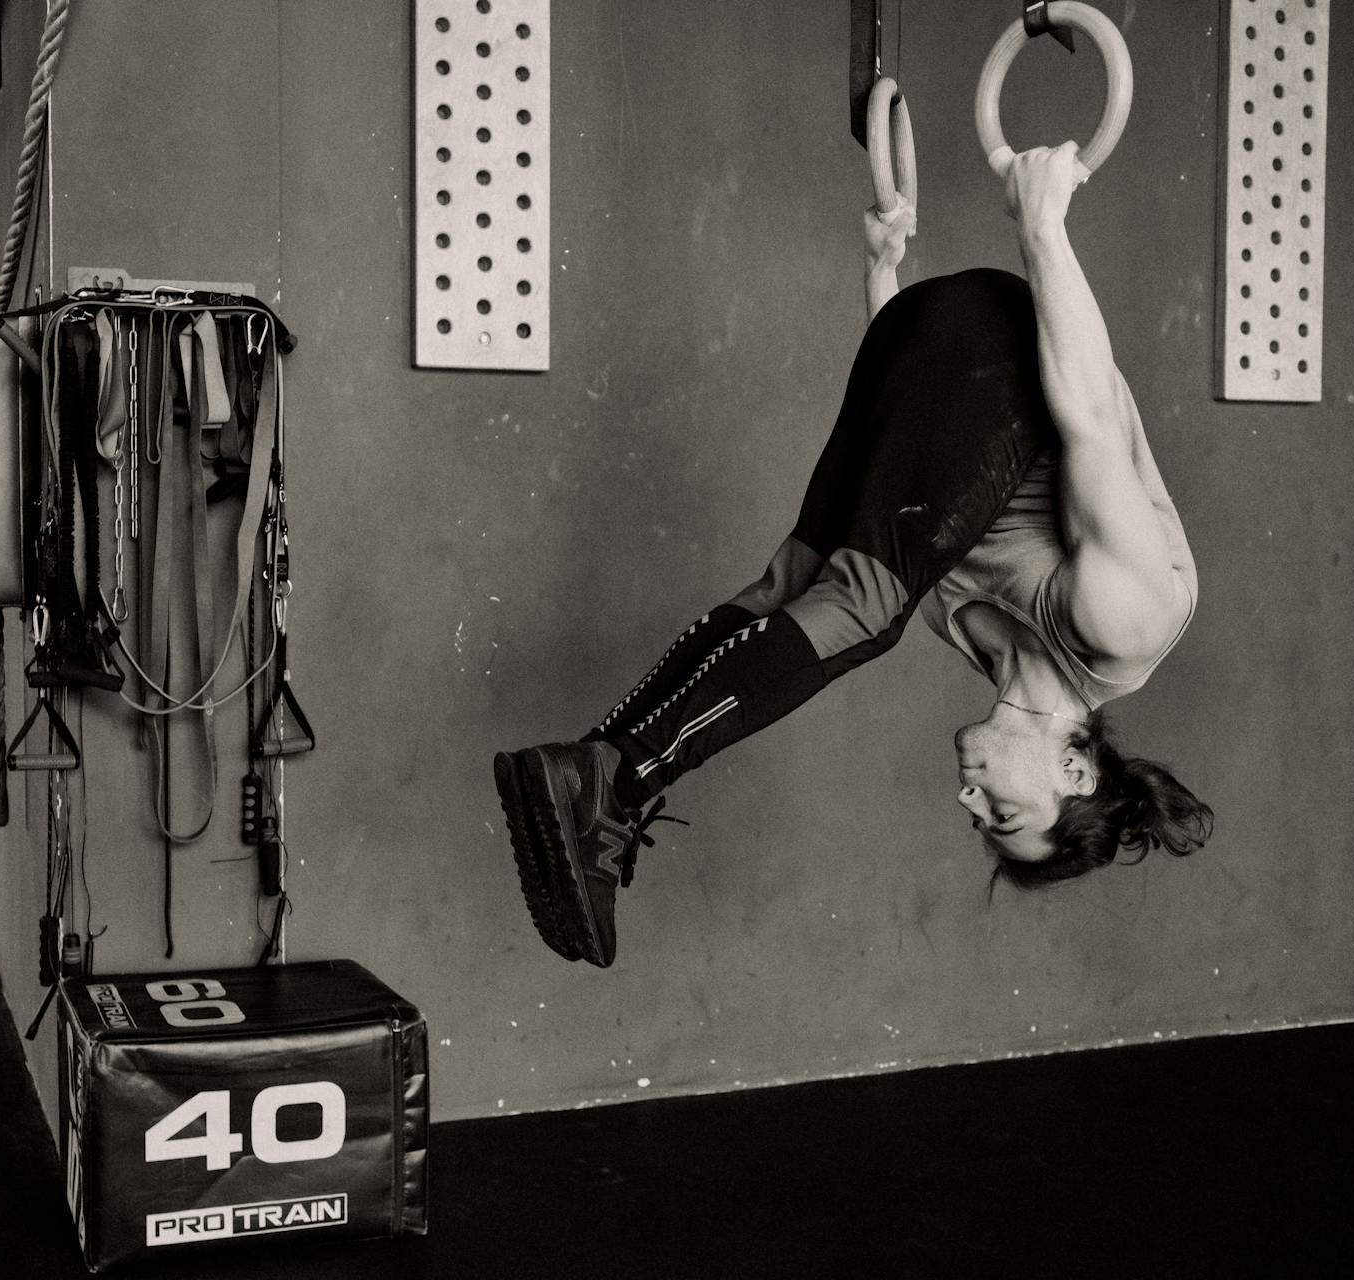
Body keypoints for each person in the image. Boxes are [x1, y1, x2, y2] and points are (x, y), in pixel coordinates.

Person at [494, 143, 1213, 969]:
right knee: (868, 611)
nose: (967, 798)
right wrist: (1045, 225)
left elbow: (921, 459)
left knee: (792, 585)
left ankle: (592, 760)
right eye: (1002, 814)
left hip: (911, 344)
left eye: (977, 819)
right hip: (1010, 338)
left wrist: (883, 279)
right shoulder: (1126, 628)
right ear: (1075, 773)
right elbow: (1087, 412)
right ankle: (613, 784)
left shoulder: (977, 638)